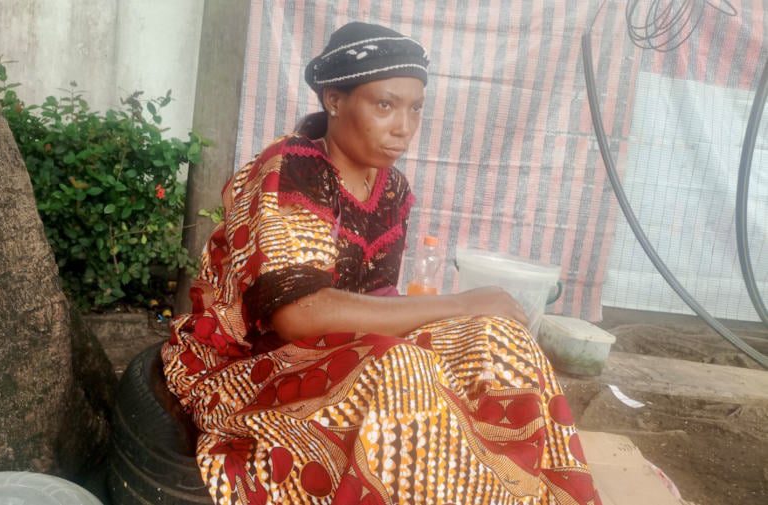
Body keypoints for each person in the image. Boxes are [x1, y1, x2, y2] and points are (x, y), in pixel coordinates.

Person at [163, 21, 600, 505]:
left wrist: (466, 323)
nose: (404, 127)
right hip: (247, 366)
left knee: (499, 338)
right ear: (334, 100)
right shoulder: (293, 171)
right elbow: (298, 315)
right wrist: (458, 304)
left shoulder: (392, 189)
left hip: (336, 351)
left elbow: (375, 303)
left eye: (415, 109)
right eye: (385, 105)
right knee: (405, 368)